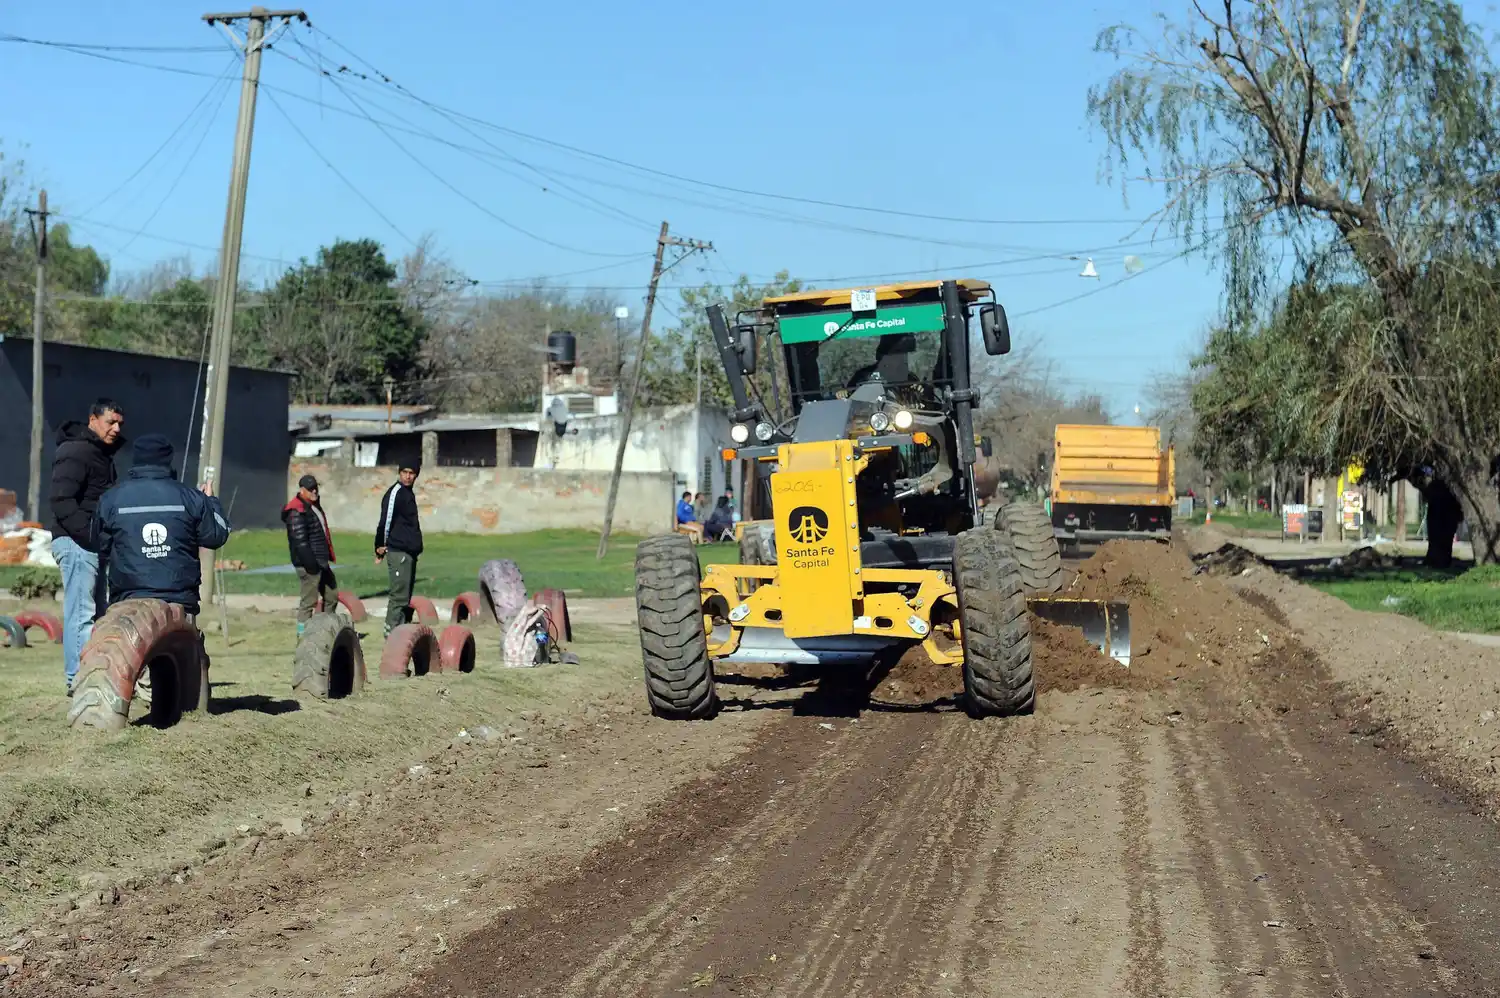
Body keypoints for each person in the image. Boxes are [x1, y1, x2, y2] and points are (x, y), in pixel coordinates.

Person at [91, 433, 230, 616]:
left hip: (128, 601)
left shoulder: (111, 499)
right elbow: (217, 535)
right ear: (168, 459)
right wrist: (211, 500)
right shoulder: (191, 498)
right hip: (180, 603)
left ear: (136, 459)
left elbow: (97, 543)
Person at [48, 398, 124, 695]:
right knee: (81, 614)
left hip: (94, 544)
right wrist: (91, 537)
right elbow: (61, 501)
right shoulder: (76, 451)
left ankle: (93, 676)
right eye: (110, 422)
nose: (116, 428)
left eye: (120, 423)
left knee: (98, 615)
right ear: (93, 419)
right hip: (76, 543)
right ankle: (77, 681)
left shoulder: (101, 454)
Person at [282, 473, 336, 639]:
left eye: (315, 488)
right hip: (308, 565)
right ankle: (302, 636)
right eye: (310, 489)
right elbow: (300, 542)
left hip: (321, 561)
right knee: (308, 602)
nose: (314, 491)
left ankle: (325, 631)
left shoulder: (313, 506)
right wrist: (311, 566)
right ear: (302, 490)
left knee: (331, 596)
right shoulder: (296, 510)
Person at [375, 462, 423, 637]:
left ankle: (401, 634)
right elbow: (385, 521)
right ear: (399, 472)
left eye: (412, 473)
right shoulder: (395, 493)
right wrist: (379, 545)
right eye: (405, 472)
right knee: (398, 597)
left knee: (405, 598)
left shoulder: (408, 493)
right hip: (398, 551)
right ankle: (391, 636)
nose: (408, 476)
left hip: (409, 552)